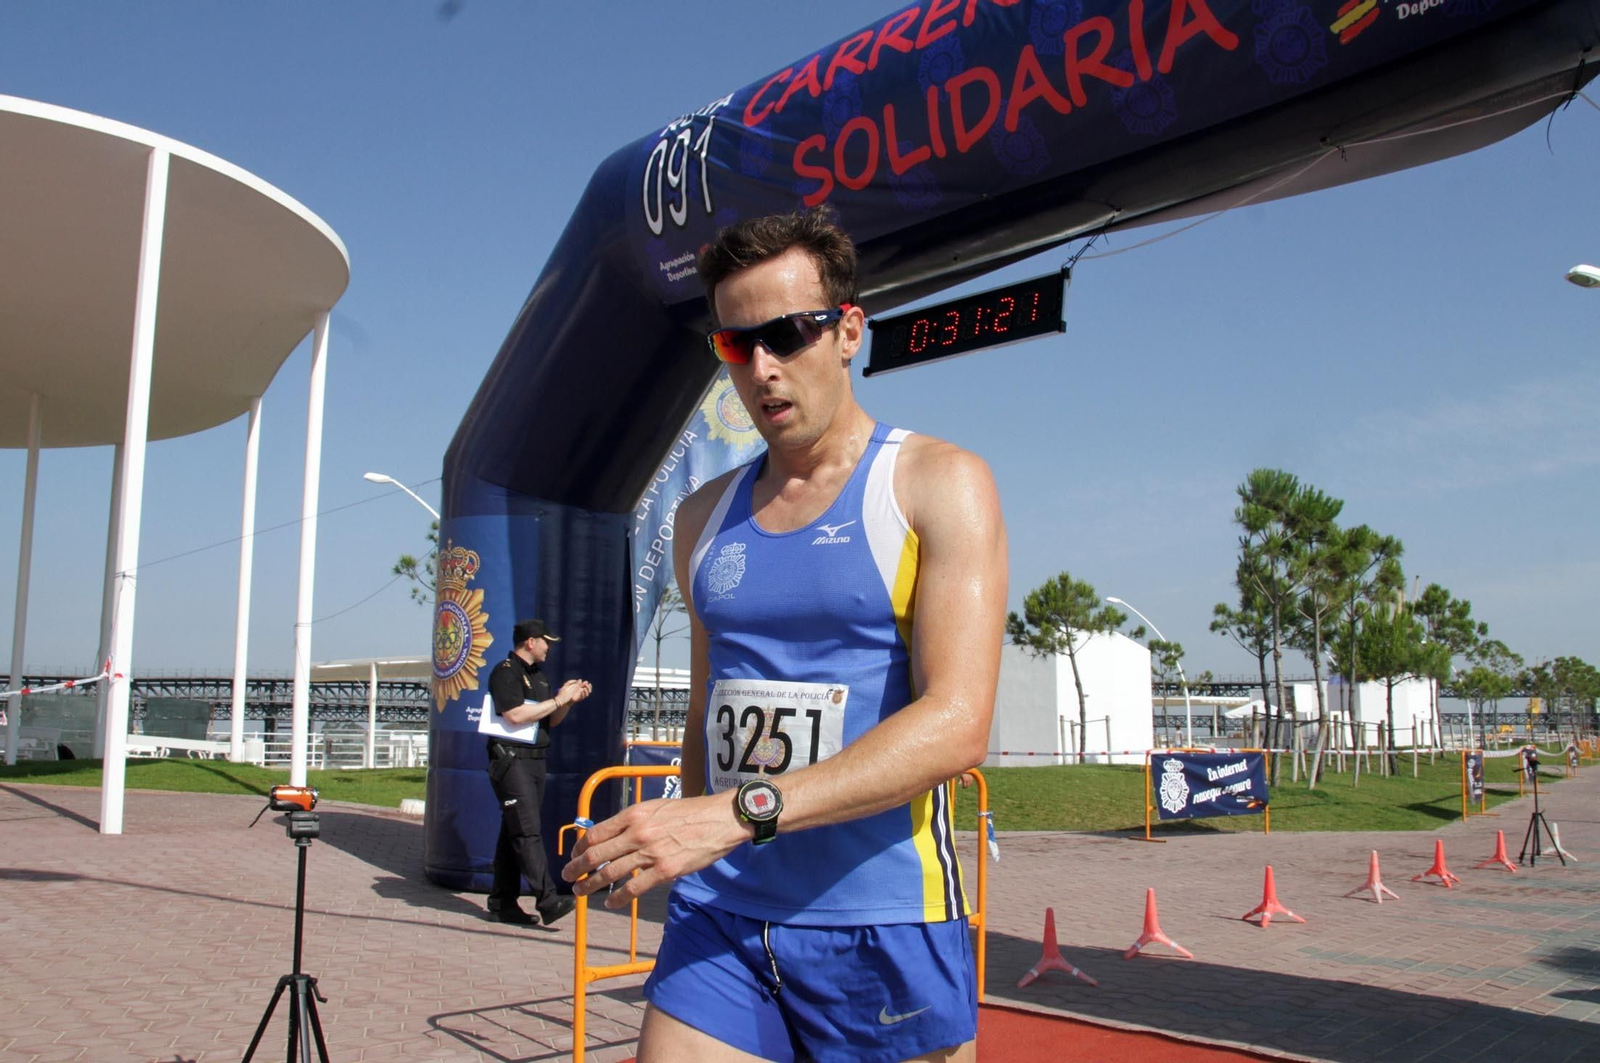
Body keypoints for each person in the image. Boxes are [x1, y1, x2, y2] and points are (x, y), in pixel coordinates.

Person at [563, 208, 1007, 1062]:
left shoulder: (937, 483)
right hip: (723, 913)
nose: (762, 368)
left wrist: (733, 814)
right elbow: (707, 714)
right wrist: (688, 841)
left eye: (787, 335)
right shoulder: (703, 517)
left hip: (878, 917)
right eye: (737, 345)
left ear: (848, 331)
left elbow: (958, 723)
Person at [484, 617, 591, 926]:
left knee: (513, 830)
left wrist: (567, 701)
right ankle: (547, 899)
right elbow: (515, 714)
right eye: (546, 642)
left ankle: (502, 901)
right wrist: (558, 698)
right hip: (511, 760)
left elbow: (549, 721)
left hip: (535, 759)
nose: (549, 648)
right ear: (530, 642)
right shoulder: (505, 673)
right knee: (527, 831)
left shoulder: (540, 677)